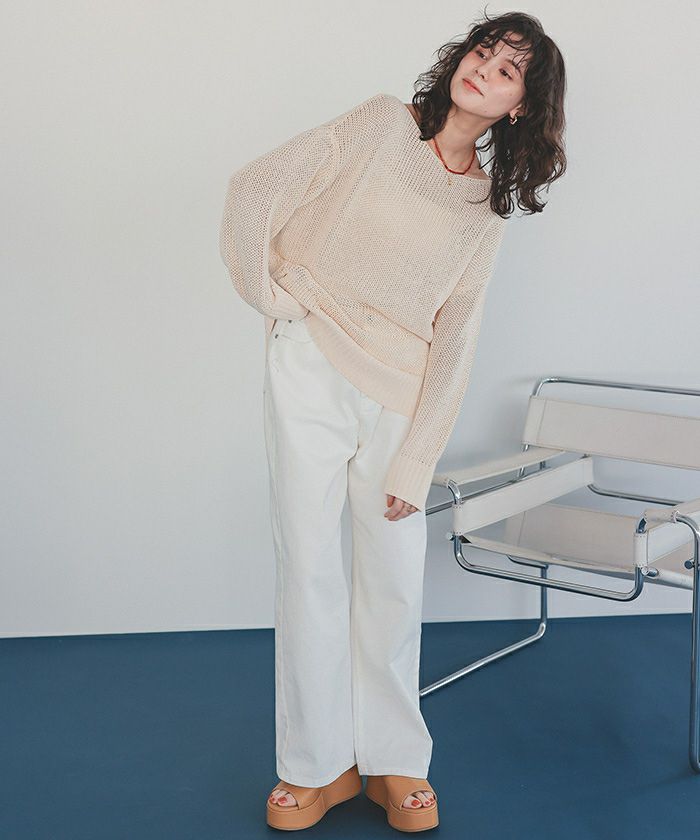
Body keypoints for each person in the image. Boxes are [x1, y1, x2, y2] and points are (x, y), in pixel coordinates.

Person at [219, 9, 566, 832]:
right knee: (307, 566)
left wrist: (419, 456)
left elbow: (456, 336)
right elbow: (254, 187)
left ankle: (394, 760)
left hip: (400, 398)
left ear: (520, 105)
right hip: (310, 367)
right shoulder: (379, 125)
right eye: (484, 50)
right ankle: (314, 766)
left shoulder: (484, 207)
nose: (486, 67)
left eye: (509, 69)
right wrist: (272, 296)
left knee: (394, 581)